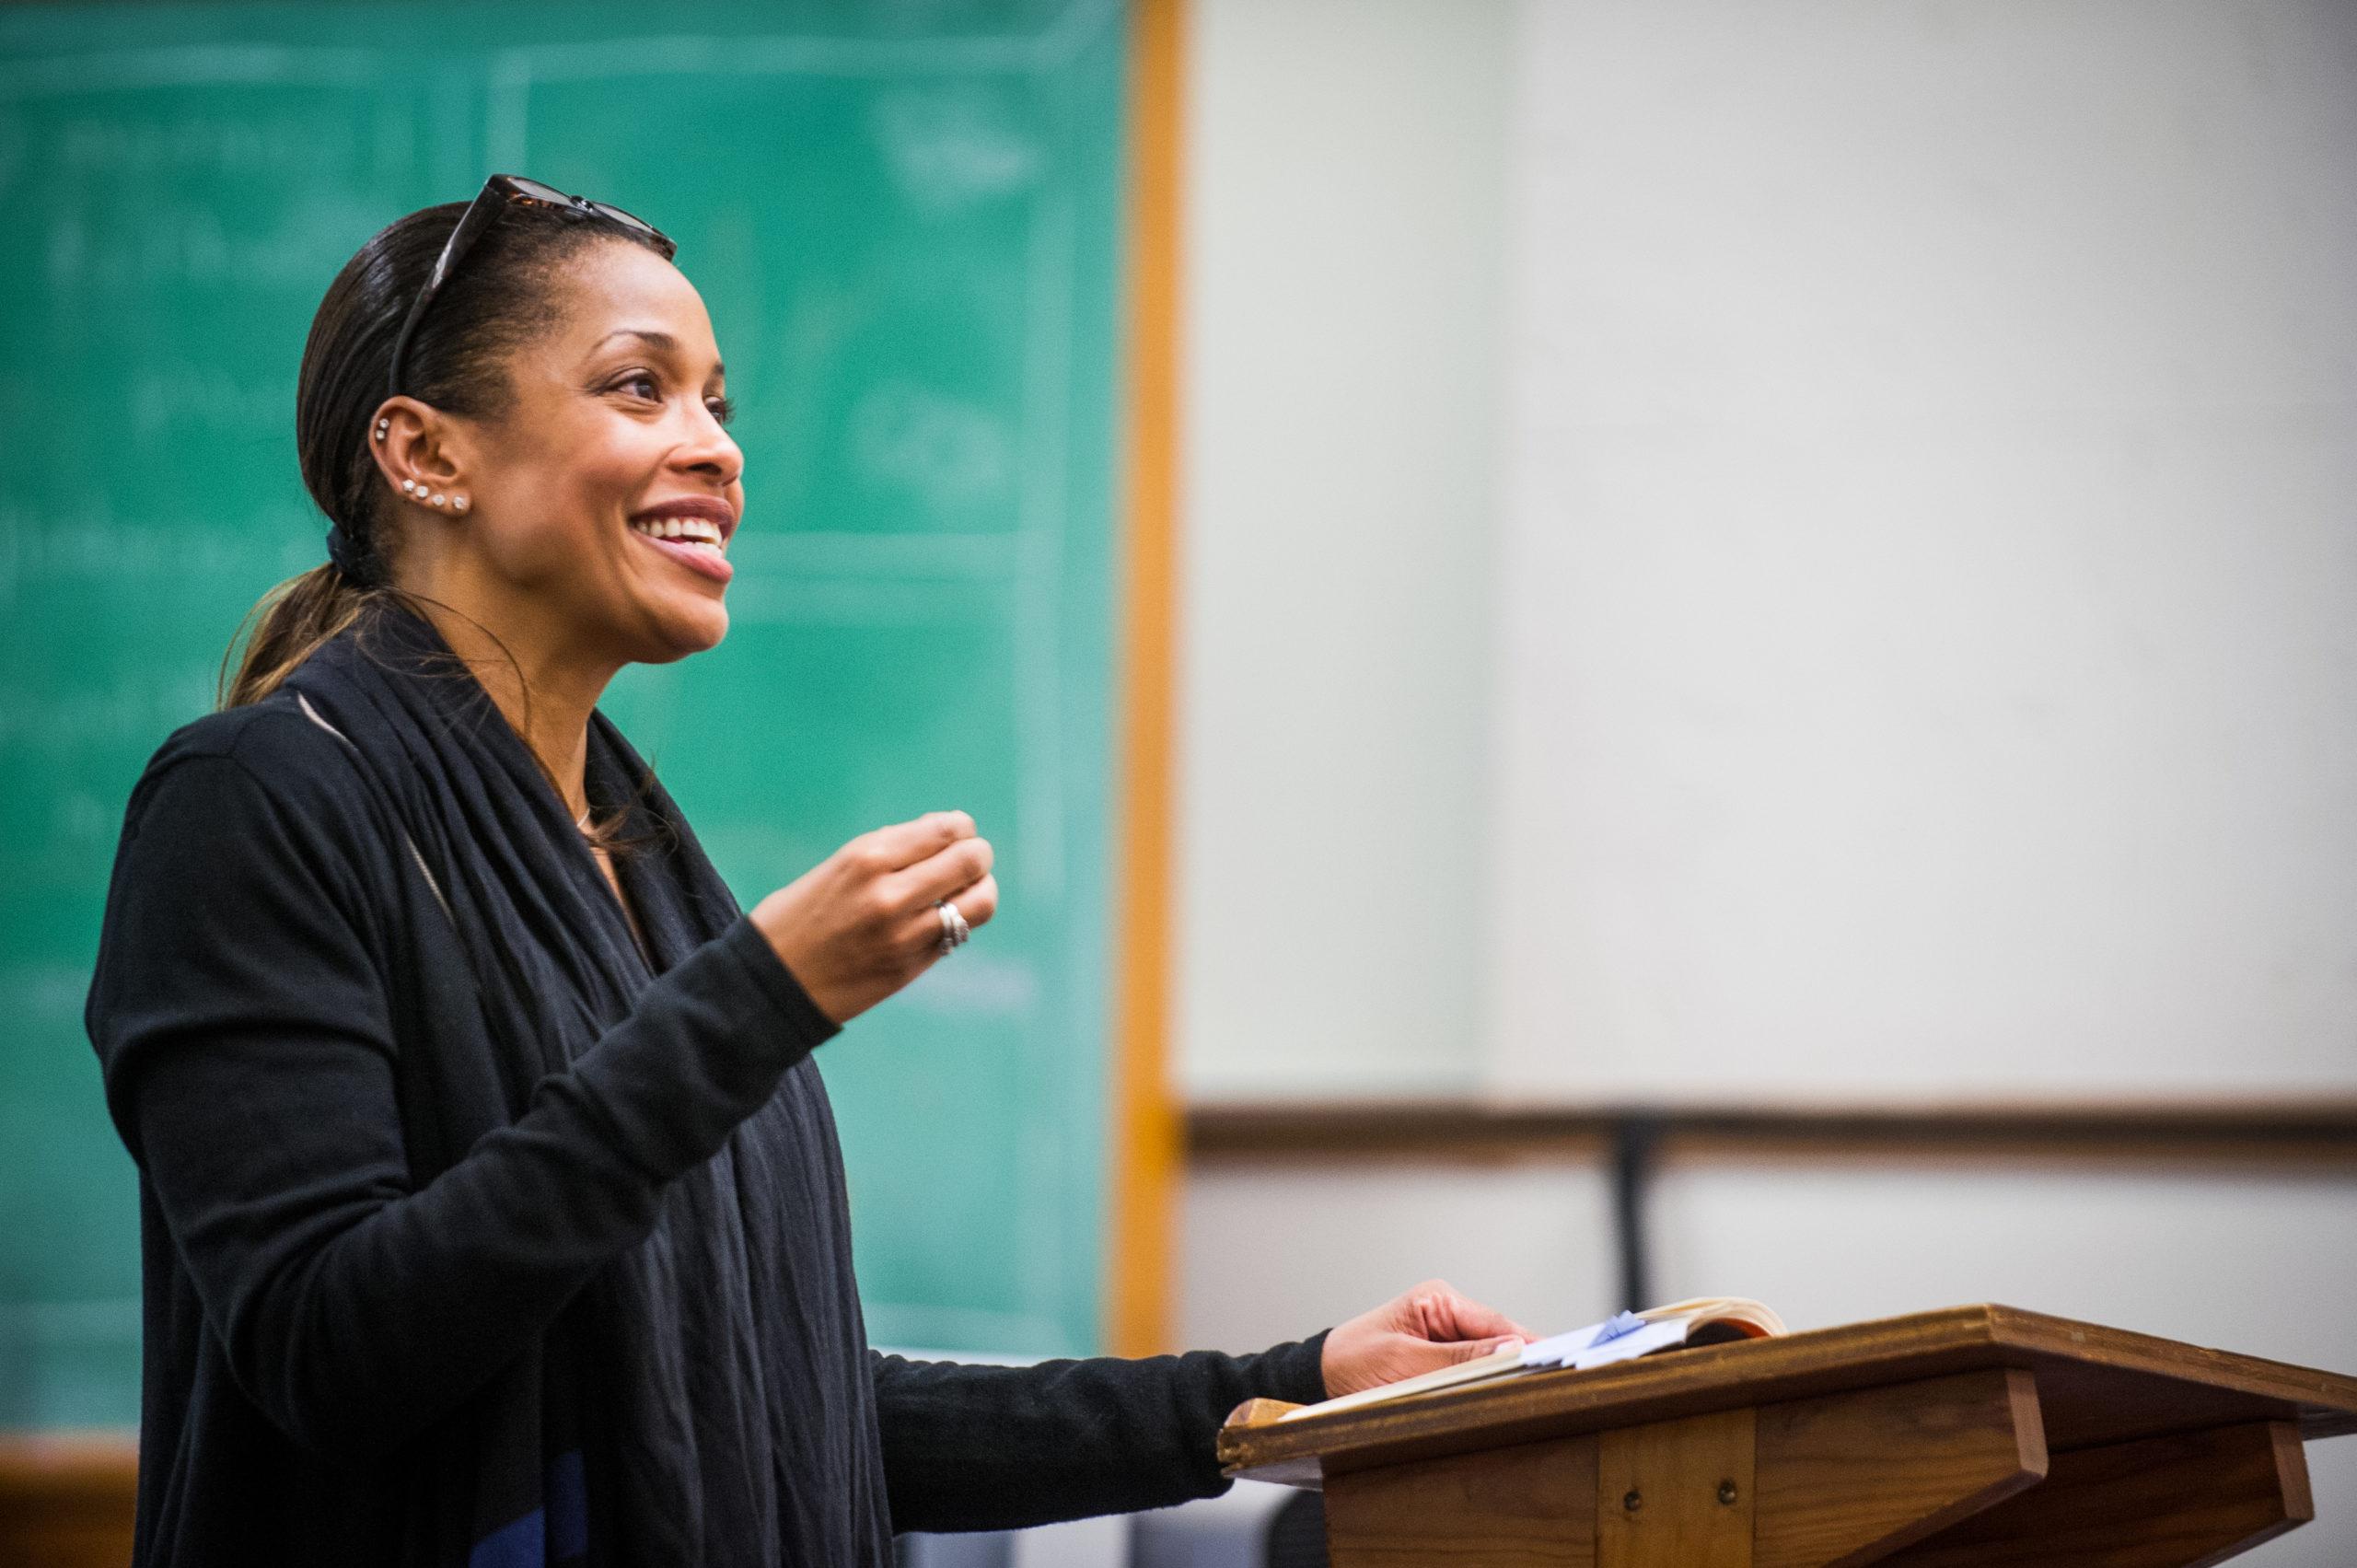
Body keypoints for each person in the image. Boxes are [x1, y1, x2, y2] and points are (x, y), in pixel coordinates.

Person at [85, 177, 1531, 1566]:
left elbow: (797, 1411)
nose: (715, 446)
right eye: (638, 386)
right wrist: (754, 1007)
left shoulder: (629, 855)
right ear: (427, 454)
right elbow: (333, 1351)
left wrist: (1292, 1384)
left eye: (717, 401)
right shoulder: (254, 801)